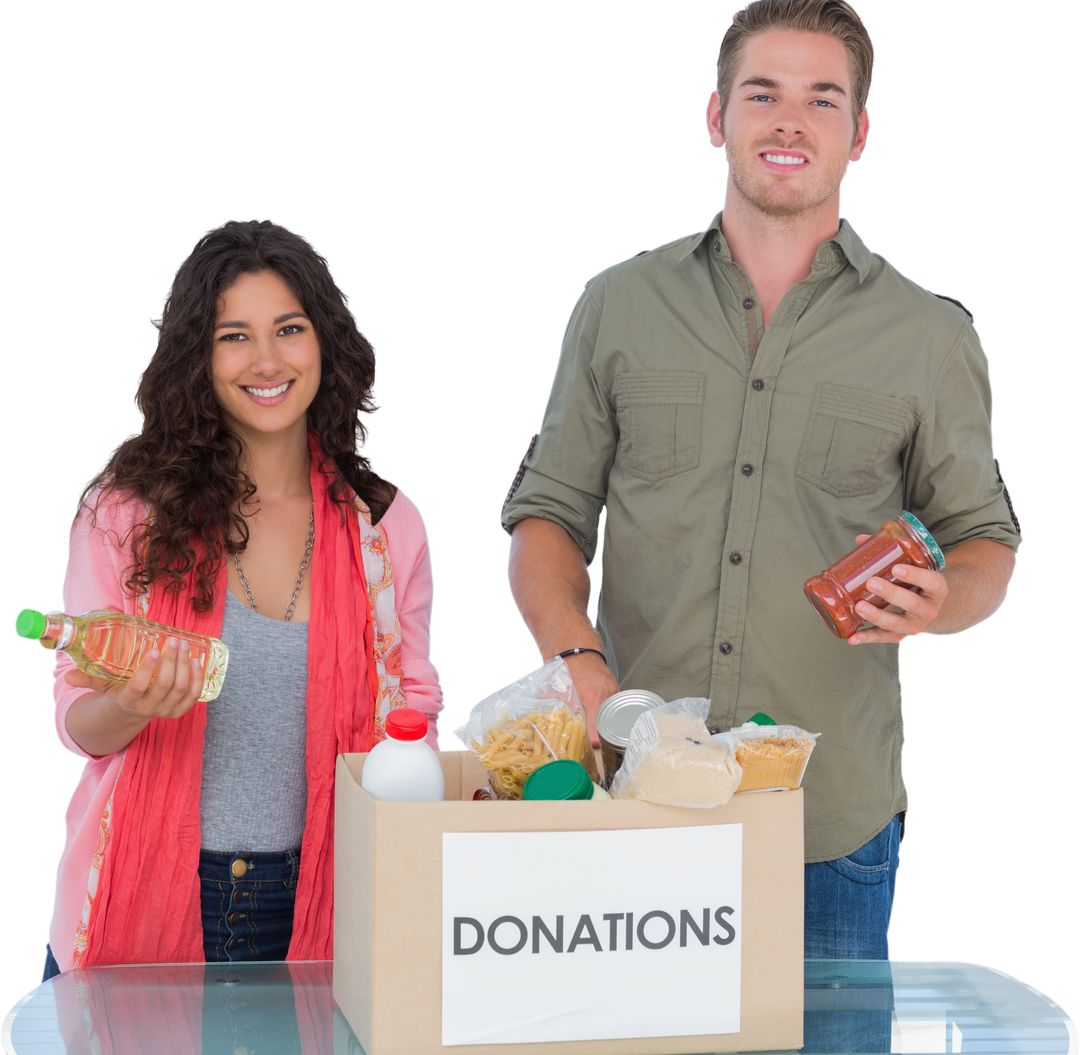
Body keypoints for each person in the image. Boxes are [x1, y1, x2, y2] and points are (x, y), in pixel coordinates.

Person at [500, 0, 1021, 970]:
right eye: (763, 93)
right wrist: (578, 659)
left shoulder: (931, 334)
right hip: (636, 801)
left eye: (822, 98)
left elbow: (987, 538)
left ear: (861, 131)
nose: (790, 121)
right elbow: (547, 514)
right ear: (714, 116)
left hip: (826, 824)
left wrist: (944, 600)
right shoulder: (618, 302)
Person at [38, 217, 445, 982]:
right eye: (234, 336)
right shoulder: (128, 515)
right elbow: (78, 722)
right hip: (143, 895)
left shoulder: (388, 526)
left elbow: (415, 697)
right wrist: (133, 703)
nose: (266, 360)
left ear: (324, 339)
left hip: (328, 900)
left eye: (288, 328)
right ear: (199, 356)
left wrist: (422, 790)